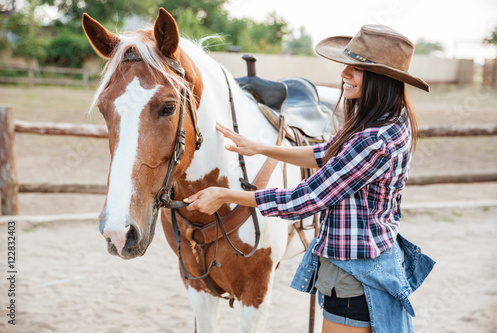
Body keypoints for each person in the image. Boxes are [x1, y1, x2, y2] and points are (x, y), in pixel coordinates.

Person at [185, 24, 435, 333]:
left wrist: (225, 195)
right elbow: (328, 152)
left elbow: (306, 198)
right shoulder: (390, 121)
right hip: (371, 260)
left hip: (353, 273)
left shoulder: (373, 140)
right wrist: (261, 147)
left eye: (356, 69)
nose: (344, 74)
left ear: (382, 79)